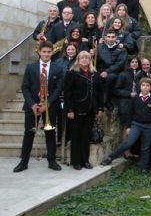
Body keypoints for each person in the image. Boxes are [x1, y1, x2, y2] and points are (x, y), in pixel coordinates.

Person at [13, 41, 64, 172]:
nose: (46, 54)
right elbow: (25, 87)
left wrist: (48, 103)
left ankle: (51, 161)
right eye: (44, 52)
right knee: (29, 134)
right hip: (32, 107)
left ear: (52, 52)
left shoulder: (58, 68)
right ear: (39, 52)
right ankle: (23, 162)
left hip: (50, 106)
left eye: (49, 52)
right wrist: (32, 104)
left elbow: (59, 89)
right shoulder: (30, 67)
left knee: (50, 133)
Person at [102, 78, 151, 173]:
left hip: (149, 126)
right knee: (129, 142)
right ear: (140, 87)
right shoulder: (135, 99)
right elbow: (129, 113)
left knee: (145, 147)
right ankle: (110, 157)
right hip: (136, 124)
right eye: (143, 85)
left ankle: (143, 167)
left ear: (150, 87)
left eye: (147, 85)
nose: (145, 87)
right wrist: (129, 127)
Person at [63, 51, 103, 170]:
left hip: (90, 109)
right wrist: (69, 109)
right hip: (76, 109)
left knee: (86, 136)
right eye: (82, 58)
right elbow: (68, 93)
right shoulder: (72, 73)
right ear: (78, 60)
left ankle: (85, 160)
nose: (85, 60)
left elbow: (100, 92)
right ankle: (76, 161)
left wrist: (100, 108)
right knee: (76, 136)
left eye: (87, 58)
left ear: (90, 60)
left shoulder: (94, 74)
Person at [115, 57, 142, 157]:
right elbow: (117, 90)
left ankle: (132, 151)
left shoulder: (141, 75)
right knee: (126, 128)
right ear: (129, 63)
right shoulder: (123, 75)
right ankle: (126, 152)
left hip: (138, 104)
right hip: (126, 104)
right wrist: (129, 94)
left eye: (136, 62)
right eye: (132, 62)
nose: (134, 64)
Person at [96, 30, 127, 106]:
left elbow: (119, 64)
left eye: (113, 37)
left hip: (115, 72)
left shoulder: (122, 50)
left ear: (116, 38)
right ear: (105, 38)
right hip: (101, 70)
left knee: (110, 77)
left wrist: (107, 71)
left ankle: (106, 100)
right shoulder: (99, 48)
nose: (110, 39)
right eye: (108, 37)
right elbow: (97, 62)